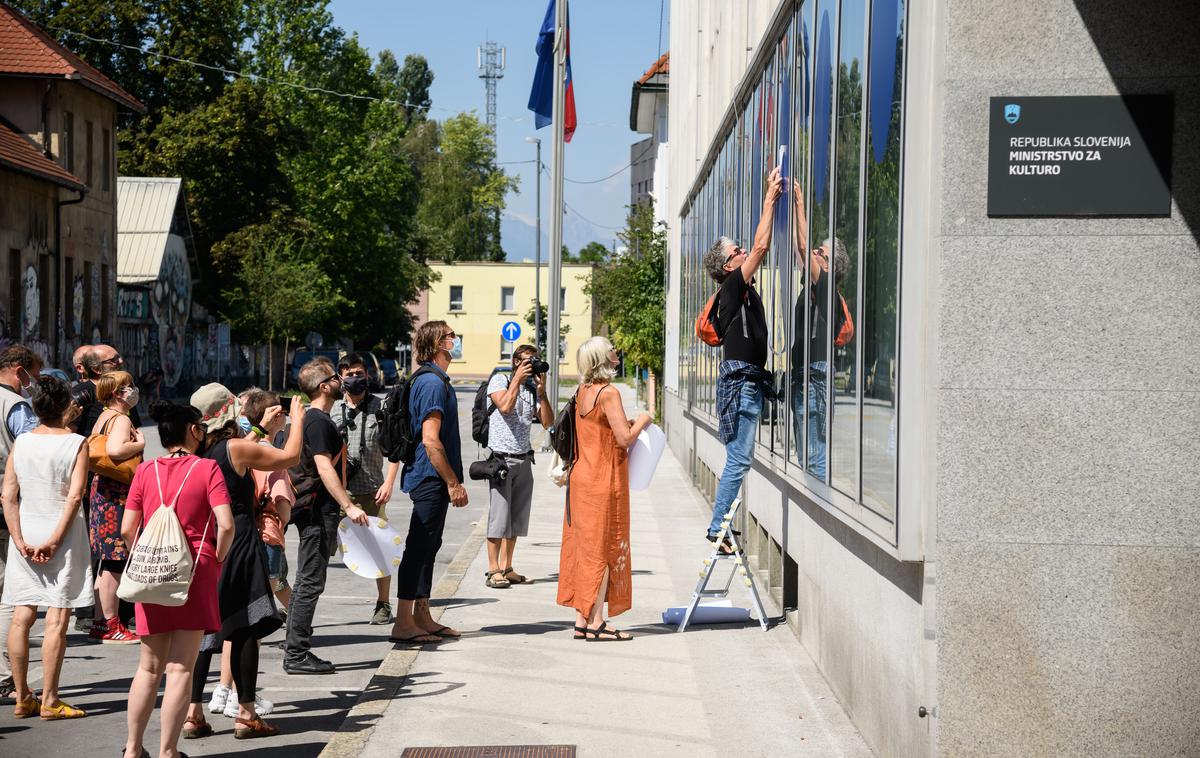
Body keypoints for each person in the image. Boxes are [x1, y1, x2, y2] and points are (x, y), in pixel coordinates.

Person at [182, 384, 303, 740]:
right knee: (244, 627)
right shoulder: (233, 448)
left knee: (204, 632)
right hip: (239, 543)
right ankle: (247, 715)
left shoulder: (200, 449)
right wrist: (296, 419)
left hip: (206, 545)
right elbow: (289, 458)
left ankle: (193, 714)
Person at [119, 400, 234, 758]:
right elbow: (227, 524)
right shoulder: (207, 469)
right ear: (193, 430)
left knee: (148, 666)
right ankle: (168, 751)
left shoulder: (145, 471)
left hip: (153, 572)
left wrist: (147, 554)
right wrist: (218, 555)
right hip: (193, 572)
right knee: (181, 666)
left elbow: (127, 529)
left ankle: (133, 749)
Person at [701, 166, 783, 553]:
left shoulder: (738, 291)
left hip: (747, 382)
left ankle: (721, 527)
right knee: (739, 460)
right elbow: (763, 246)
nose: (745, 253)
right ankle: (719, 528)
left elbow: (760, 249)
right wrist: (768, 199)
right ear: (728, 267)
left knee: (739, 459)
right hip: (743, 383)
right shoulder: (732, 288)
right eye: (738, 252)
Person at [2, 375, 89, 719]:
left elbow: (8, 494)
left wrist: (19, 538)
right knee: (57, 617)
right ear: (66, 406)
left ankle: (23, 696)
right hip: (62, 532)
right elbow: (75, 495)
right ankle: (50, 699)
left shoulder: (22, 442)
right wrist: (55, 539)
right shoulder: (76, 443)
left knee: (22, 616)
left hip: (26, 528)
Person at [557, 336, 652, 641]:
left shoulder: (582, 391)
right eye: (612, 348)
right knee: (604, 550)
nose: (616, 352)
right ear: (602, 358)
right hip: (602, 481)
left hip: (581, 479)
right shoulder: (608, 393)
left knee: (584, 550)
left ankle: (582, 620)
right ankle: (596, 622)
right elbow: (624, 439)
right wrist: (644, 421)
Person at [207, 389, 293, 720]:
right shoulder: (263, 453)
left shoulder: (222, 449)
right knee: (252, 623)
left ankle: (222, 691)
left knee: (230, 622)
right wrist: (297, 422)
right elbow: (283, 508)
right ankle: (244, 701)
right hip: (260, 541)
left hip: (224, 543)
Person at [283, 360, 369, 674]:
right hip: (318, 511)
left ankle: (295, 645)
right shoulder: (317, 421)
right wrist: (349, 505)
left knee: (306, 580)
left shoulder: (310, 417)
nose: (342, 380)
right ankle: (296, 654)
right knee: (310, 582)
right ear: (324, 386)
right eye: (336, 377)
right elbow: (323, 467)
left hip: (314, 509)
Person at [388, 321, 467, 645]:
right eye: (450, 335)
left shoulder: (433, 380)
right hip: (431, 477)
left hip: (429, 476)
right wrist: (453, 483)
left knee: (429, 548)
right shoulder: (432, 384)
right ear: (437, 343)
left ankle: (422, 615)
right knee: (419, 548)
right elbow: (431, 441)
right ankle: (403, 622)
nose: (455, 339)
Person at [332, 353, 400, 623]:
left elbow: (394, 451)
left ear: (367, 375)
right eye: (349, 375)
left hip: (372, 490)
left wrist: (389, 482)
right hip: (338, 493)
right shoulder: (333, 411)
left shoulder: (381, 409)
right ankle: (300, 605)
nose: (354, 379)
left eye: (359, 373)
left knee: (379, 547)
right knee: (319, 549)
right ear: (340, 377)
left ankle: (383, 604)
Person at [789, 179, 851, 480]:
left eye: (820, 252)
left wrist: (800, 203)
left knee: (814, 459)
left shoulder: (826, 288)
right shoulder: (814, 286)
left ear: (828, 266)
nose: (813, 252)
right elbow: (800, 246)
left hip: (815, 378)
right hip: (804, 377)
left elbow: (802, 244)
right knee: (805, 459)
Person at [483, 344, 553, 589]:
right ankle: (493, 570)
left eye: (535, 360)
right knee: (499, 518)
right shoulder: (499, 381)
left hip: (524, 458)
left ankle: (507, 567)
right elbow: (504, 406)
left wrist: (542, 393)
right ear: (515, 362)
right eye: (527, 361)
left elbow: (547, 423)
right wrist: (516, 382)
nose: (532, 365)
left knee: (515, 519)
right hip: (502, 459)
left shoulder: (531, 390)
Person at [87, 370, 145, 643]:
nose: (133, 390)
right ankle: (111, 624)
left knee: (106, 562)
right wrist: (140, 443)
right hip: (117, 495)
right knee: (114, 561)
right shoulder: (120, 418)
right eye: (128, 386)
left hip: (104, 492)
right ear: (116, 393)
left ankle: (101, 621)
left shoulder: (103, 417)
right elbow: (115, 451)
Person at [0, 345, 43, 700]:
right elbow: (33, 450)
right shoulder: (14, 406)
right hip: (7, 503)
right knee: (10, 593)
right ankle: (7, 675)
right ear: (19, 371)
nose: (36, 382)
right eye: (34, 374)